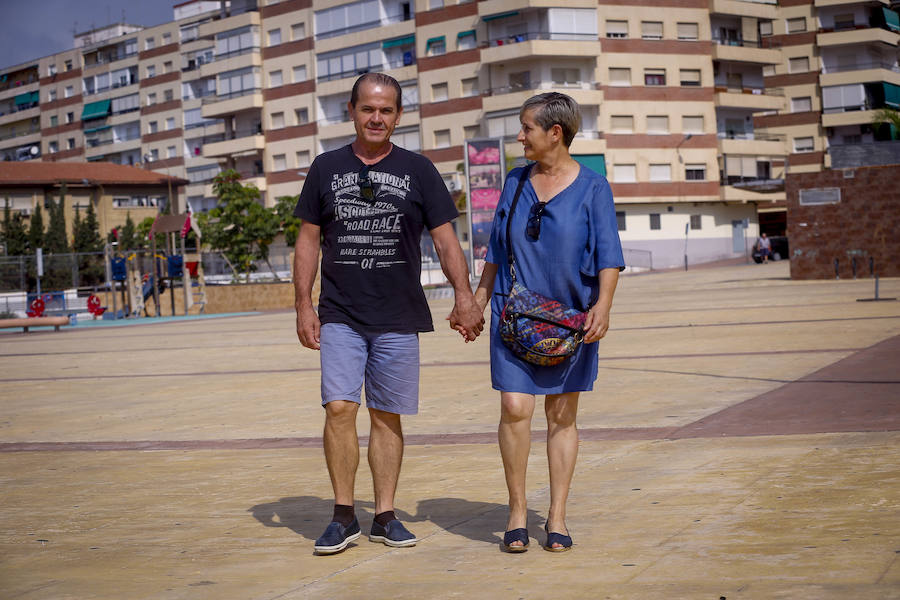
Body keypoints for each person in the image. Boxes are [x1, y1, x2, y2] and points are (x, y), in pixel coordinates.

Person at [293, 72, 484, 555]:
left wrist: (464, 296)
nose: (376, 118)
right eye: (367, 109)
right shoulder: (325, 168)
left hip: (399, 315)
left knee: (387, 416)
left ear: (398, 116)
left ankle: (384, 515)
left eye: (386, 110)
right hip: (340, 312)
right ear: (352, 112)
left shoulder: (419, 170)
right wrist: (302, 303)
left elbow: (445, 238)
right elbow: (308, 239)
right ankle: (342, 515)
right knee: (339, 408)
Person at [466, 92, 624, 552]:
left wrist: (605, 305)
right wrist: (478, 300)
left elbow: (610, 253)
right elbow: (496, 248)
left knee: (561, 413)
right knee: (515, 407)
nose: (520, 136)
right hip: (514, 315)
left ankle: (556, 516)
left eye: (527, 128)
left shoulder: (594, 187)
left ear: (555, 132)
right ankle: (517, 512)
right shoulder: (514, 182)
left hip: (572, 318)